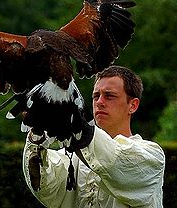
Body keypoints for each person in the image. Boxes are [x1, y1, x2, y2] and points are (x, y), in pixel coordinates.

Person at [22, 65, 165, 208]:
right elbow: (46, 188)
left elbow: (117, 161)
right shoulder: (75, 158)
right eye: (96, 96)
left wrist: (78, 127)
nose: (99, 102)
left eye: (109, 96)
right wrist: (37, 135)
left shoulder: (152, 156)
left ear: (133, 105)